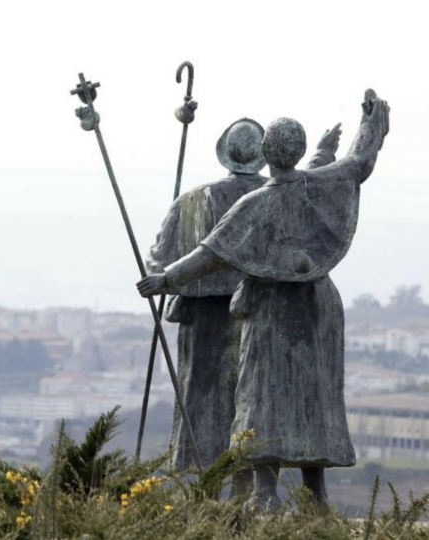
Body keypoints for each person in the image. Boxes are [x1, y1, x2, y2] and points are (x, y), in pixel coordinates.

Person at [138, 91, 390, 510]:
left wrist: (165, 278)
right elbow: (359, 162)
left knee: (264, 395)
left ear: (265, 156)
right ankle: (315, 496)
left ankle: (264, 494)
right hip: (318, 305)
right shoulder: (322, 183)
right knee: (316, 397)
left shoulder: (254, 204)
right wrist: (371, 123)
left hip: (273, 308)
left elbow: (208, 255)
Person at [149, 119, 341, 493]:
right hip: (264, 313)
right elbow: (317, 176)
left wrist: (166, 280)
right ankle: (255, 492)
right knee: (258, 406)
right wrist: (325, 150)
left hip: (205, 321)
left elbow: (160, 261)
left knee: (208, 409)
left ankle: (212, 496)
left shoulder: (193, 199)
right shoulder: (285, 194)